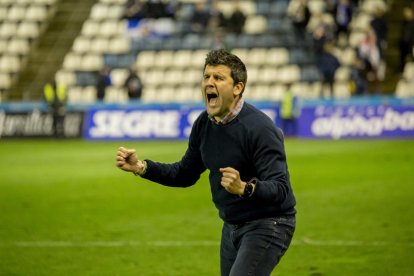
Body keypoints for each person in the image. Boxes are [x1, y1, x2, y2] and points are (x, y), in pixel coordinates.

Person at [116, 49, 296, 275]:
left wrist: (245, 188)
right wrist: (142, 167)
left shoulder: (260, 128)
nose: (209, 82)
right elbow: (184, 174)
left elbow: (281, 188)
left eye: (218, 78)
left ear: (237, 88)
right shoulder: (203, 124)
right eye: (206, 77)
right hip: (231, 225)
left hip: (269, 223)